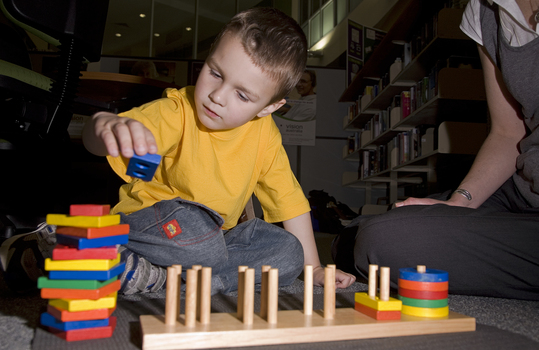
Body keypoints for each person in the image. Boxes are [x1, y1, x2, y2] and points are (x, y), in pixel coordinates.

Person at [79, 8, 355, 295]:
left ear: (268, 108)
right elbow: (94, 144)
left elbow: (289, 201)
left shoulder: (265, 134)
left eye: (242, 95)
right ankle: (110, 246)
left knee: (288, 252)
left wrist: (315, 269)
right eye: (215, 73)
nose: (217, 96)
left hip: (214, 239)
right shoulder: (177, 110)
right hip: (153, 223)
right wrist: (103, 125)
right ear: (210, 55)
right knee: (203, 241)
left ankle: (170, 280)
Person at [332, 0, 539, 301]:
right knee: (355, 236)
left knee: (382, 243)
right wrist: (460, 203)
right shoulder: (484, 10)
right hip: (521, 186)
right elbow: (508, 132)